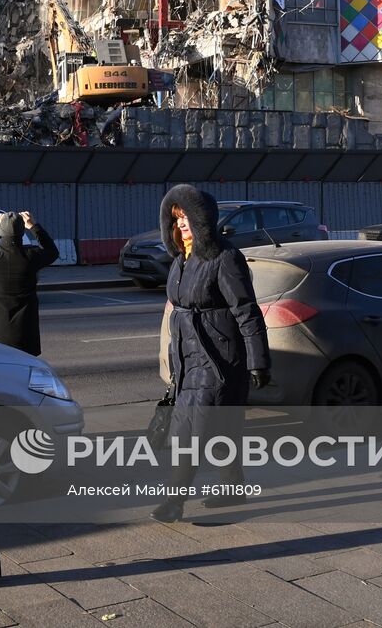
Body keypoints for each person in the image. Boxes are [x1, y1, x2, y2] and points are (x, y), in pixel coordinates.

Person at [152, 183, 271, 523]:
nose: (182, 225)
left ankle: (174, 501)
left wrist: (258, 360)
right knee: (220, 428)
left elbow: (246, 310)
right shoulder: (180, 261)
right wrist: (175, 362)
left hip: (220, 359)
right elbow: (178, 313)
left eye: (187, 217)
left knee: (193, 428)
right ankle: (233, 486)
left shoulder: (224, 257)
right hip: (189, 360)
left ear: (203, 220)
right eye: (176, 219)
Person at [0, 210, 57, 355]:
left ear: (1, 231)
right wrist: (34, 226)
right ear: (22, 232)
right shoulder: (31, 256)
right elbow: (52, 251)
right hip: (25, 329)